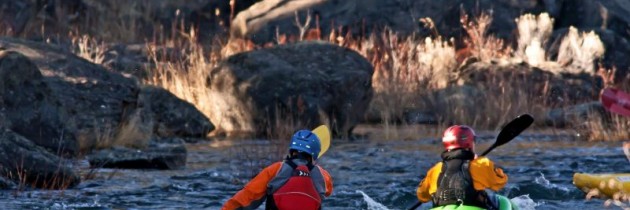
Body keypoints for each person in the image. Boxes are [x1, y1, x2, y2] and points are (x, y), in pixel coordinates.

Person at [222, 129, 333, 210]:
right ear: (314, 155)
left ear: (291, 151)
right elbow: (328, 191)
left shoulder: (276, 169)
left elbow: (248, 196)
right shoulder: (323, 176)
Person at [416, 125, 508, 209]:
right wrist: (492, 166)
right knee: (503, 202)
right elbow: (500, 181)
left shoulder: (435, 170)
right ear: (470, 143)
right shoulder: (481, 164)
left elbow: (421, 196)